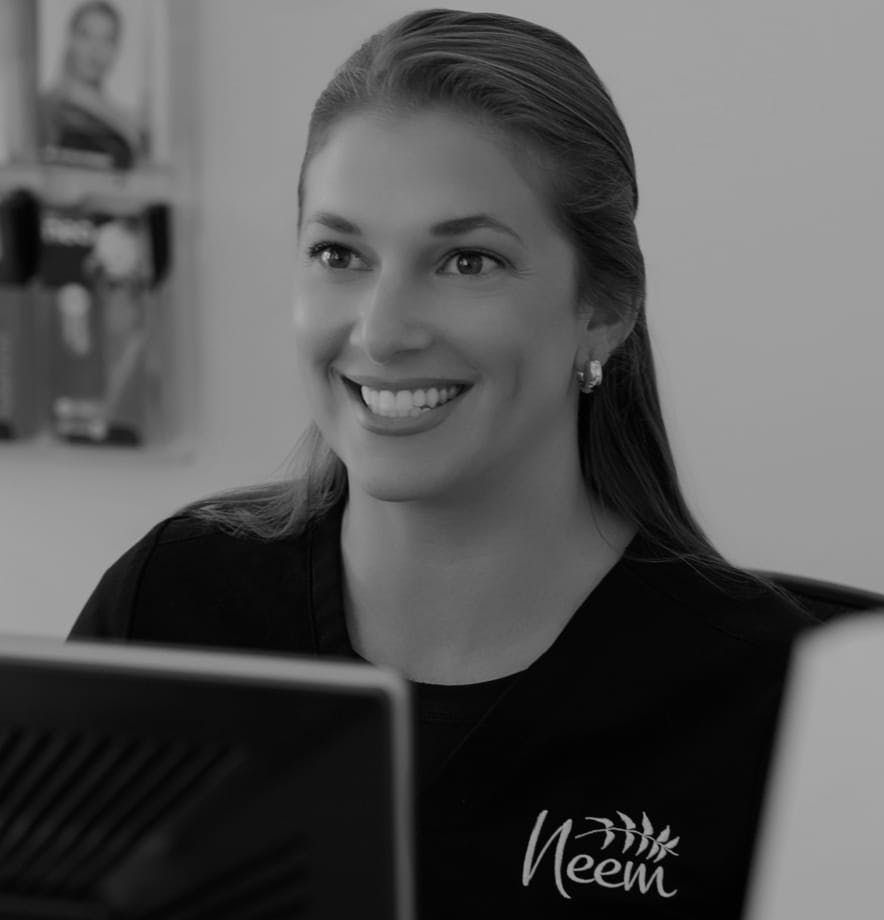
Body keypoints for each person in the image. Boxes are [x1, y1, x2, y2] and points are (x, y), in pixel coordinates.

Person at [69, 9, 819, 917]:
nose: (382, 330)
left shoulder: (783, 706)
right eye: (339, 253)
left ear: (605, 308)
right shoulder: (169, 606)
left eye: (468, 260)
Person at [38, 0, 146, 170]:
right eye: (86, 36)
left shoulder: (120, 116)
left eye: (107, 40)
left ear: (116, 49)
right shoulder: (48, 107)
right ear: (70, 39)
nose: (96, 50)